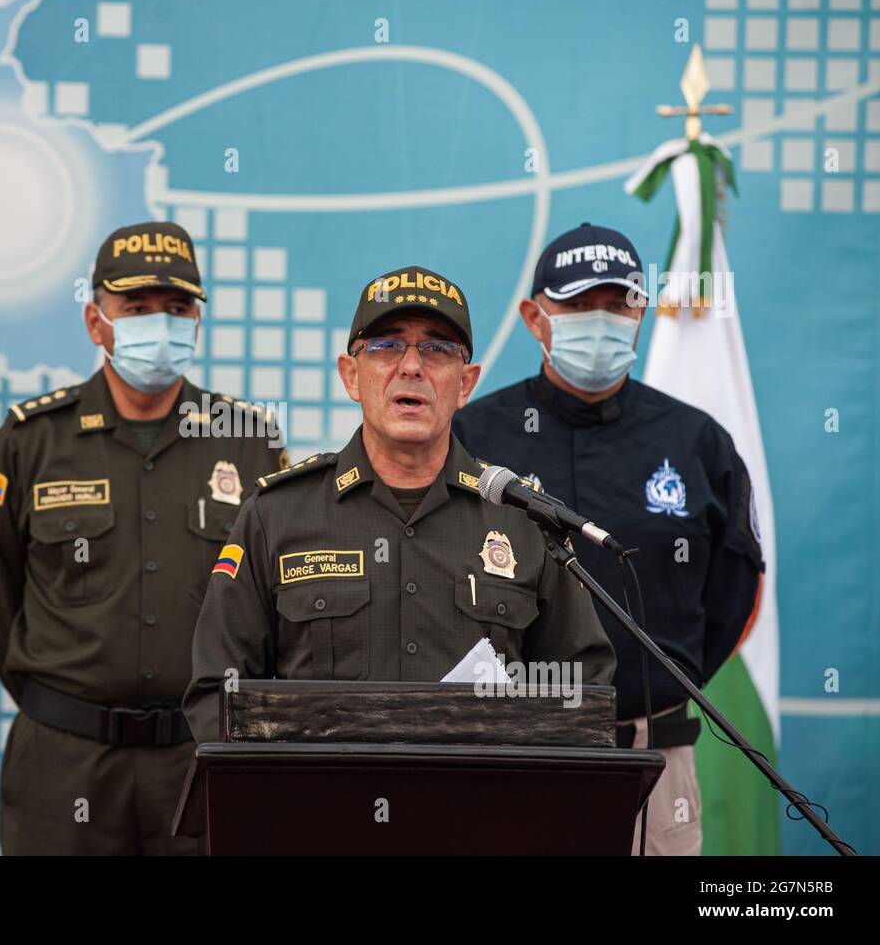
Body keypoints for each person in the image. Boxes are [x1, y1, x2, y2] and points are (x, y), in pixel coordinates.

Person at [183, 265, 615, 745]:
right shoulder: (277, 514)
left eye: (437, 349)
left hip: (478, 812)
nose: (411, 366)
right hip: (319, 811)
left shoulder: (524, 521)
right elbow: (217, 693)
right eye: (386, 346)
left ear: (466, 383)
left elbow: (582, 689)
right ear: (351, 375)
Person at [0, 221, 284, 854]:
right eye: (136, 308)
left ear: (197, 319)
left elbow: (270, 607)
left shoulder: (250, 440)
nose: (159, 324)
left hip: (199, 759)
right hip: (64, 765)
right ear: (96, 322)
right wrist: (68, 706)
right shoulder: (32, 438)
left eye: (176, 308)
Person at [452, 223, 764, 855]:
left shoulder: (696, 443)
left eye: (618, 302)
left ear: (642, 310)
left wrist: (659, 681)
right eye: (576, 304)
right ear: (534, 317)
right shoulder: (471, 436)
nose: (601, 319)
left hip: (656, 759)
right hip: (507, 749)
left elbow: (738, 592)